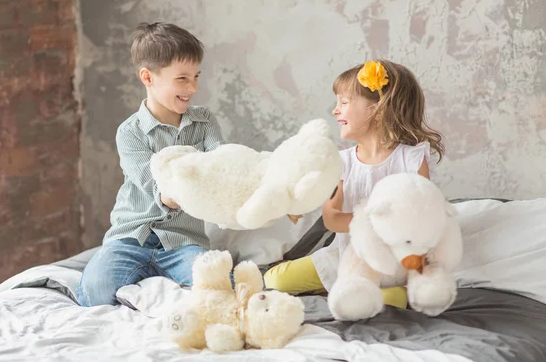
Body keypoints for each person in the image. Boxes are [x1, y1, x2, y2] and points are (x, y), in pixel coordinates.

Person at [264, 60, 445, 310]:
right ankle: (354, 289)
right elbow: (330, 215)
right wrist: (297, 203)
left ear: (378, 109)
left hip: (393, 260)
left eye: (344, 102)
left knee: (398, 295)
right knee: (275, 279)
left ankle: (383, 293)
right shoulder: (343, 162)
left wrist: (349, 219)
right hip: (346, 254)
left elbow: (418, 217)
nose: (335, 110)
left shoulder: (411, 159)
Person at [77, 22, 224, 307]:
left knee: (218, 288)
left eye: (196, 76)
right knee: (95, 291)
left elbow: (223, 164)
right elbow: (158, 190)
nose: (192, 87)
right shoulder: (129, 132)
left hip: (184, 241)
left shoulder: (205, 122)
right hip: (133, 236)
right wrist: (196, 180)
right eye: (182, 78)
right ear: (148, 77)